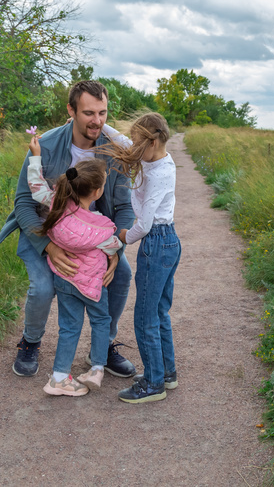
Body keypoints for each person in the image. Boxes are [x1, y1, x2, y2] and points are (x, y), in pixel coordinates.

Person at [0, 80, 136, 379]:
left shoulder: (115, 152)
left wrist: (115, 250)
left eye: (102, 113)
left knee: (121, 274)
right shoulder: (45, 145)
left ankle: (104, 346)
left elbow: (124, 209)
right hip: (47, 232)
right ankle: (30, 342)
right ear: (71, 110)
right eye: (88, 113)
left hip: (94, 238)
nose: (97, 121)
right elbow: (23, 201)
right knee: (43, 287)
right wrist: (49, 247)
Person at [99, 114, 180, 404]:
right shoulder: (154, 157)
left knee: (145, 317)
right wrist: (101, 124)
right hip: (167, 240)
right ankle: (167, 373)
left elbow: (143, 225)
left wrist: (120, 237)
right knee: (159, 312)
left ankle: (153, 383)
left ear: (153, 141)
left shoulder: (160, 173)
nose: (133, 147)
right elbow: (122, 141)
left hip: (156, 242)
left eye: (138, 142)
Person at [26, 147, 120, 396]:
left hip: (65, 278)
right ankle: (97, 369)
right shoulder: (101, 228)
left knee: (69, 327)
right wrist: (116, 255)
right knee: (101, 321)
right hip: (93, 283)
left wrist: (35, 155)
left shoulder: (56, 205)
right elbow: (114, 246)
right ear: (97, 191)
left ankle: (58, 378)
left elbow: (36, 187)